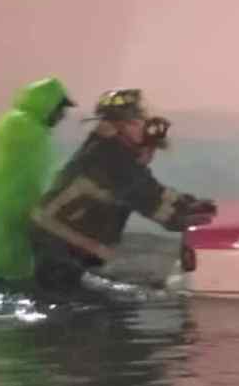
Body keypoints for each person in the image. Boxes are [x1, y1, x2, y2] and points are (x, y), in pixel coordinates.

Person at [29, 88, 217, 291]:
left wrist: (191, 204)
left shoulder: (110, 151)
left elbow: (153, 190)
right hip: (57, 247)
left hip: (67, 245)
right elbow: (148, 198)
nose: (142, 125)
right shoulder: (108, 157)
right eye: (135, 121)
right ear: (115, 126)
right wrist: (188, 216)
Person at [0, 77, 76, 285]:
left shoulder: (21, 124)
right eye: (60, 109)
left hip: (13, 207)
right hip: (13, 207)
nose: (62, 116)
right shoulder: (22, 125)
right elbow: (36, 170)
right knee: (5, 272)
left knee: (2, 265)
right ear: (47, 103)